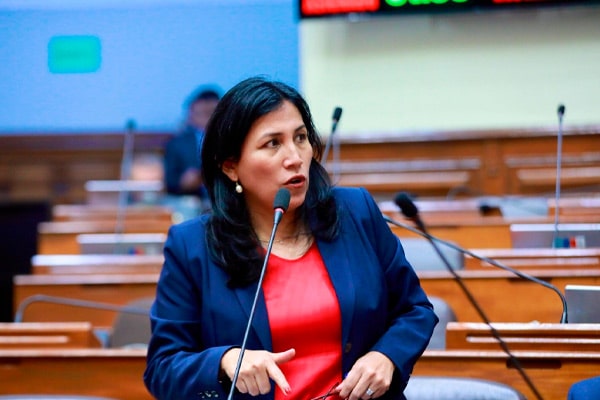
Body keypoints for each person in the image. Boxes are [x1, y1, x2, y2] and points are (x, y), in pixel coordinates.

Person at [144, 76, 438, 400]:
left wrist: (386, 356)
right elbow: (163, 368)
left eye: (300, 138)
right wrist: (225, 361)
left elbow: (415, 309)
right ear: (230, 166)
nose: (295, 157)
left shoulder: (356, 212)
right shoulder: (192, 245)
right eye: (273, 143)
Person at [163, 87, 220, 199]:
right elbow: (170, 181)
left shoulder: (231, 140)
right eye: (200, 113)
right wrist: (183, 182)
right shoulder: (176, 143)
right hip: (190, 199)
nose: (206, 119)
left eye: (210, 113)